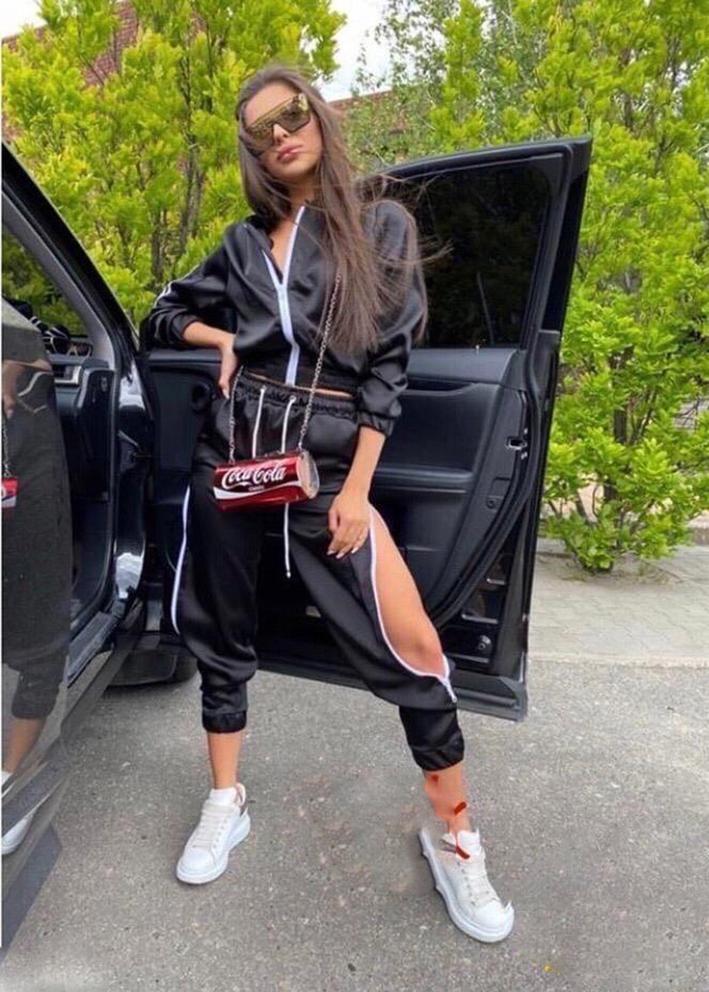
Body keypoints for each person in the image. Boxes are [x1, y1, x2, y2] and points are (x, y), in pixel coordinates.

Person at [144, 63, 514, 943]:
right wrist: (220, 335)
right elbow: (160, 315)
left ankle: (454, 840)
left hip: (325, 471)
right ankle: (225, 801)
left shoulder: (379, 224)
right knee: (220, 634)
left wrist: (355, 490)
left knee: (414, 646)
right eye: (259, 127)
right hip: (232, 458)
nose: (279, 133)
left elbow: (389, 367)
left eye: (290, 113)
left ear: (317, 115)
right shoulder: (240, 244)